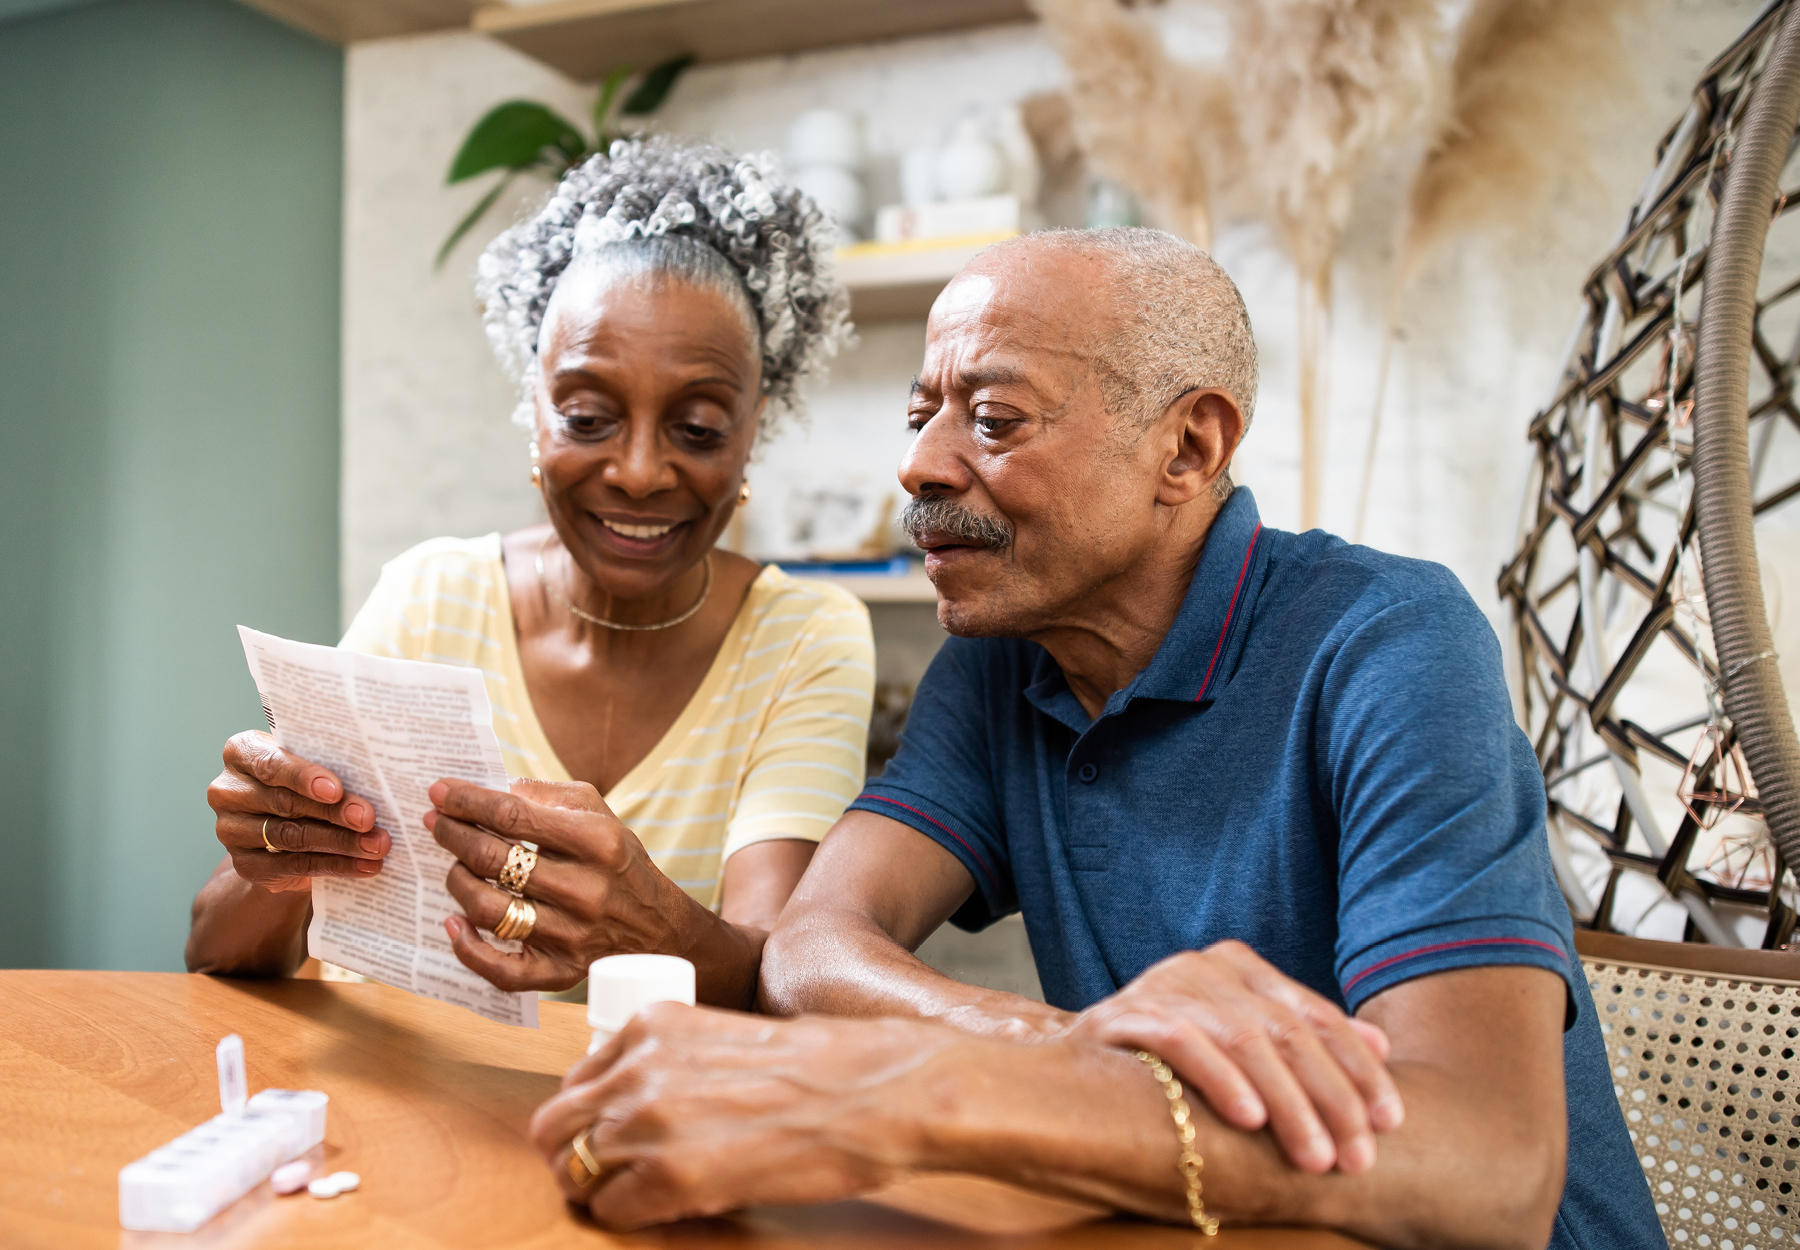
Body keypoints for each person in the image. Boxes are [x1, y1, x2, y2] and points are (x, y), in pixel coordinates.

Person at [526, 229, 1664, 1250]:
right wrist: (1072, 1048)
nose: (921, 463)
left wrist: (909, 1089)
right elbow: (811, 946)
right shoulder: (1001, 653)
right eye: (922, 412)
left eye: (993, 419)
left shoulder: (1391, 643)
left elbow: (1488, 1172)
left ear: (1188, 446)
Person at [185, 139, 872, 1008]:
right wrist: (276, 856)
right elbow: (214, 954)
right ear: (535, 410)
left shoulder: (804, 635)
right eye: (588, 416)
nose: (638, 470)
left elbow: (775, 980)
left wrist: (643, 920)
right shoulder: (432, 598)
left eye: (697, 428)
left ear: (751, 433)